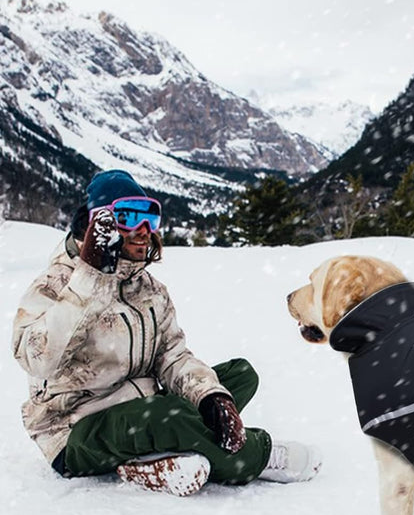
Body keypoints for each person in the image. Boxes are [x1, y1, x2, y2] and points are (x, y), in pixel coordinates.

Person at [12, 169, 321, 496]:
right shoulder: (57, 283)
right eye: (129, 217)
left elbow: (172, 356)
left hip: (141, 408)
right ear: (99, 224)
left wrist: (210, 397)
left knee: (240, 376)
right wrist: (90, 280)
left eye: (150, 216)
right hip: (75, 431)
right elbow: (36, 360)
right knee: (167, 415)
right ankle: (254, 455)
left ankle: (155, 457)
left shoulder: (148, 289)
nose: (144, 230)